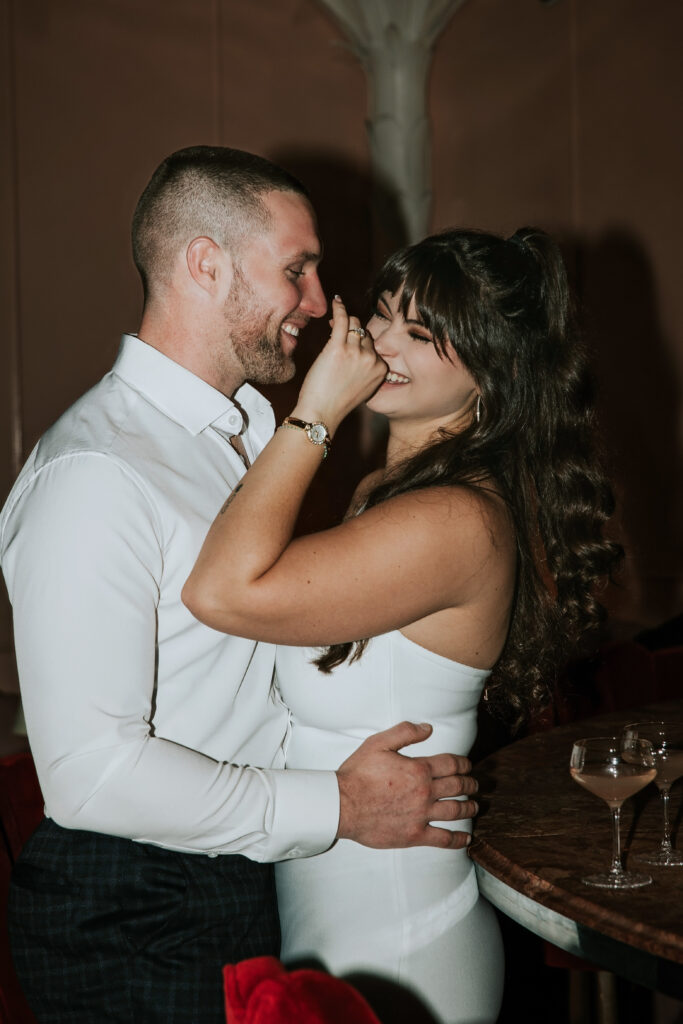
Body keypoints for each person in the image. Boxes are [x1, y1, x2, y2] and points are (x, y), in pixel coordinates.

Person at [0, 147, 478, 1024]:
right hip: (133, 911)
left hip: (234, 876)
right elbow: (89, 778)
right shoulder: (96, 470)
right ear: (204, 263)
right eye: (296, 269)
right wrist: (337, 803)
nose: (319, 299)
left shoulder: (249, 436)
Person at [183, 226, 623, 1023]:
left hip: (399, 929)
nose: (380, 340)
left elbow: (221, 592)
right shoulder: (387, 489)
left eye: (419, 334)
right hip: (339, 901)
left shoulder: (449, 517)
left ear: (493, 375)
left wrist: (315, 410)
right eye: (383, 313)